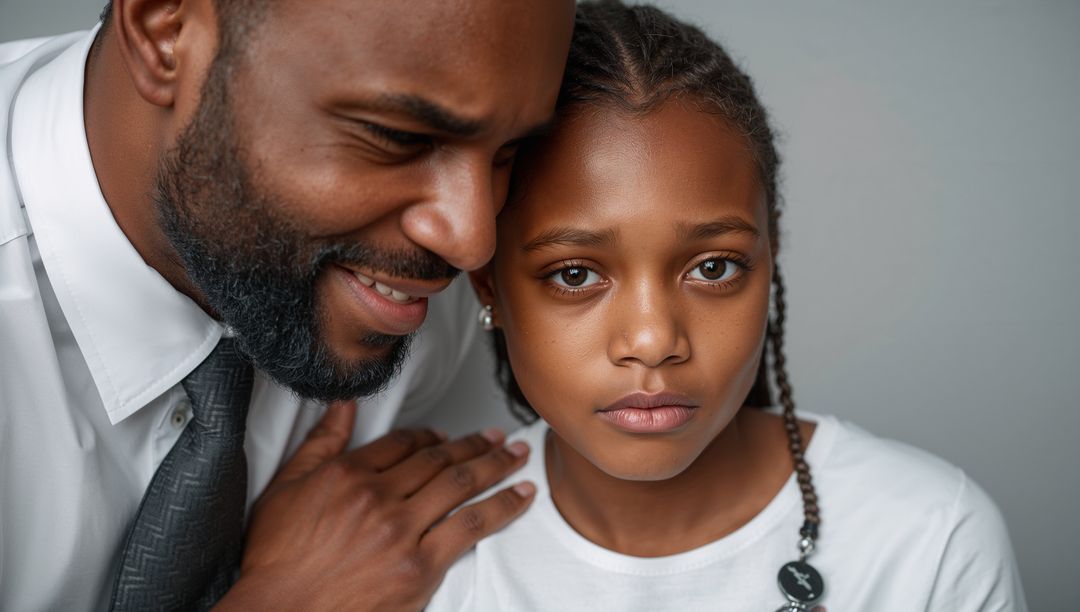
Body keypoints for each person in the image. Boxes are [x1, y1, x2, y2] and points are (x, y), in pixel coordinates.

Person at [427, 2, 1028, 610]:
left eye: (712, 268)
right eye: (575, 274)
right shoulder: (429, 564)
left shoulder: (929, 540)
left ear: (772, 250)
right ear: (487, 283)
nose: (653, 340)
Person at [0, 0, 574, 609]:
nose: (472, 241)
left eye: (509, 153)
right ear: (164, 29)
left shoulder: (428, 303)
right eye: (398, 137)